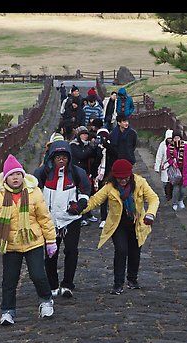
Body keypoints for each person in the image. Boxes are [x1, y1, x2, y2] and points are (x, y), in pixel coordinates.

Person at [0, 154, 57, 325]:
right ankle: (7, 311)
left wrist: (51, 241)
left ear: (23, 175)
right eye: (11, 175)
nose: (15, 178)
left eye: (18, 174)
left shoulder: (34, 192)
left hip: (33, 241)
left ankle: (46, 300)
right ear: (5, 178)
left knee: (38, 275)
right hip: (10, 244)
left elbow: (44, 218)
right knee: (9, 280)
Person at [80, 159, 160, 295]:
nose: (123, 181)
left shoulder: (141, 183)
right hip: (117, 225)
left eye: (125, 178)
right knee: (121, 250)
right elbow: (95, 201)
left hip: (137, 223)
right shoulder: (109, 187)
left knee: (135, 251)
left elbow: (153, 199)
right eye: (120, 178)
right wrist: (78, 209)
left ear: (130, 175)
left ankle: (132, 279)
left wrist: (150, 214)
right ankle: (118, 284)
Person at [33, 140, 92, 299]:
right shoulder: (41, 173)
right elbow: (33, 192)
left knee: (71, 251)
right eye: (57, 157)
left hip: (71, 219)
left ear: (69, 158)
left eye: (64, 157)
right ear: (51, 158)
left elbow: (86, 189)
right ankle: (52, 285)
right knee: (51, 253)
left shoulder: (77, 173)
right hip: (49, 220)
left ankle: (67, 284)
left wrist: (80, 204)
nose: (61, 160)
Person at [70, 126, 101, 225]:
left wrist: (96, 148)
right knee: (79, 194)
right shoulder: (74, 145)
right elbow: (81, 155)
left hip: (87, 172)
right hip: (77, 173)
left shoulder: (87, 145)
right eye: (83, 134)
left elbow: (93, 156)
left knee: (88, 192)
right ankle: (81, 215)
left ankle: (88, 213)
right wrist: (91, 148)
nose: (85, 136)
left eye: (86, 134)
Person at [165, 130, 187, 211]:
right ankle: (174, 203)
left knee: (183, 189)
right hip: (175, 171)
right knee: (176, 189)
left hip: (184, 171)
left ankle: (180, 200)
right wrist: (172, 162)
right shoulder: (170, 147)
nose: (177, 139)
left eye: (178, 138)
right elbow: (168, 158)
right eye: (175, 138)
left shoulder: (186, 147)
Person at [154, 129, 174, 202]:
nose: (170, 140)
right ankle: (167, 196)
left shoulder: (176, 144)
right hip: (165, 165)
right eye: (169, 138)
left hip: (173, 166)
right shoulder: (162, 145)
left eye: (171, 138)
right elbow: (159, 156)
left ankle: (170, 196)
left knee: (172, 181)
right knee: (166, 182)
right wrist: (157, 167)